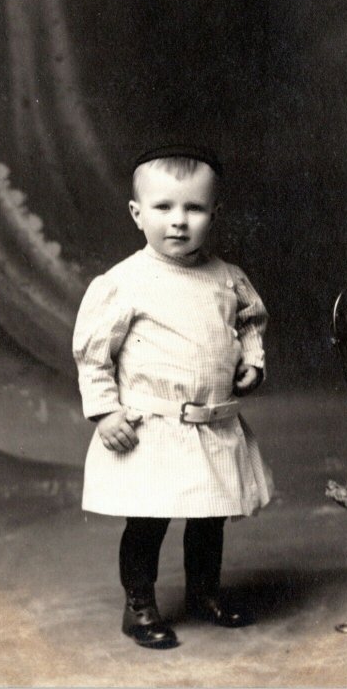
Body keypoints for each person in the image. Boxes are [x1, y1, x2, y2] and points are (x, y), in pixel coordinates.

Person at [73, 144, 273, 649]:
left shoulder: (228, 278)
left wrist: (252, 360)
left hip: (211, 424)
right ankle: (138, 604)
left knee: (209, 517)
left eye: (194, 208)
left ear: (215, 213)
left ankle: (206, 591)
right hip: (152, 429)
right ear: (138, 215)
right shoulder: (124, 283)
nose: (178, 222)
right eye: (163, 208)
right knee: (148, 520)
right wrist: (104, 411)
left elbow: (250, 322)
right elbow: (94, 354)